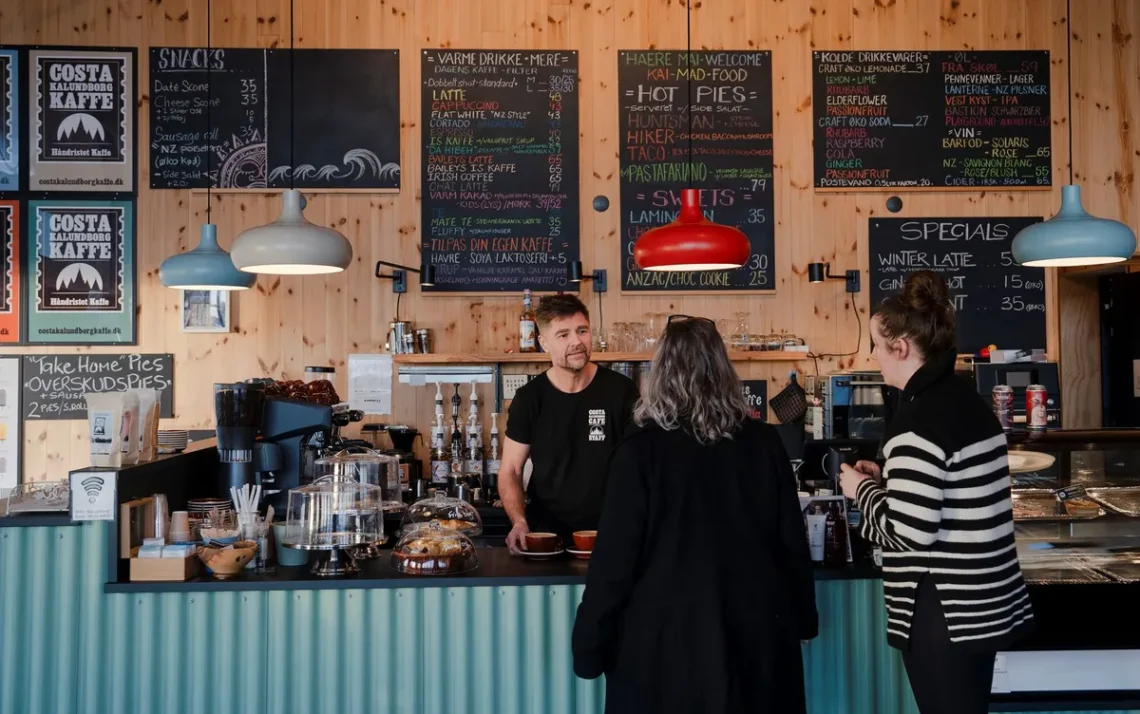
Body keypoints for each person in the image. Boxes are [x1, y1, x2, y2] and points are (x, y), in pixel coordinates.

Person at [572, 316, 817, 714]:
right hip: (756, 640)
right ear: (724, 371)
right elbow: (792, 544)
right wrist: (805, 619)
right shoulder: (765, 443)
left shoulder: (639, 453)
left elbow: (613, 567)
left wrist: (588, 648)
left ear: (660, 375)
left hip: (662, 650)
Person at [839, 271, 1033, 714]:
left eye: (875, 344)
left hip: (944, 612)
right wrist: (889, 481)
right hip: (983, 605)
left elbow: (910, 532)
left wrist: (861, 489)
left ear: (901, 347)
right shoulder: (966, 400)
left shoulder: (916, 424)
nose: (872, 355)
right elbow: (947, 494)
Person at [500, 294, 638, 551]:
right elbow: (511, 470)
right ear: (543, 343)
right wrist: (519, 522)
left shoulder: (621, 391)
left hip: (611, 533)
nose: (576, 341)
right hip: (546, 535)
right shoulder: (530, 398)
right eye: (563, 335)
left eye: (582, 331)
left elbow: (640, 464)